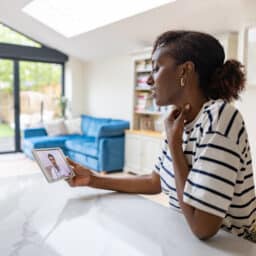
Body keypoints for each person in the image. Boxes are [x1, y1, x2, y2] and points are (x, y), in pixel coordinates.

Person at [66, 30, 256, 242]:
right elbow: (155, 180)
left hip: (234, 246)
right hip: (184, 240)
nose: (148, 80)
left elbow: (202, 227)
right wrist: (93, 179)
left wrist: (175, 146)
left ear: (185, 71)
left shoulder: (220, 117)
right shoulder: (177, 121)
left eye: (156, 68)